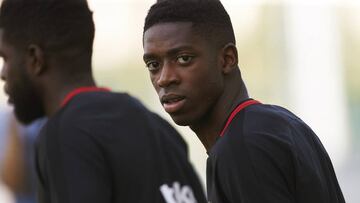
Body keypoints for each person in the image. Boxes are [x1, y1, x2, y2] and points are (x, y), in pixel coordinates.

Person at [0, 0, 207, 203]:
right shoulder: (157, 127)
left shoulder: (65, 134)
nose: (2, 73)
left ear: (35, 59)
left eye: (5, 58)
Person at [142, 0, 345, 202]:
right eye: (153, 64)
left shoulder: (243, 148)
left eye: (184, 58)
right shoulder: (279, 124)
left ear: (228, 59)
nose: (164, 78)